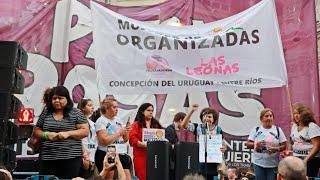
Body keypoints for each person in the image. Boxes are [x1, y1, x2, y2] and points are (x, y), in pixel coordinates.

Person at [33, 86, 89, 179]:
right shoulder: (46, 112)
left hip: (71, 158)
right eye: (54, 98)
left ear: (67, 99)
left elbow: (85, 131)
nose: (57, 101)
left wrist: (68, 134)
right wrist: (47, 135)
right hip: (48, 157)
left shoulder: (76, 112)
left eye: (60, 98)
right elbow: (36, 130)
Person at [95, 97, 132, 180]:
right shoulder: (101, 121)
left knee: (127, 178)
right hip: (107, 153)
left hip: (120, 152)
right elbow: (103, 141)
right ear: (106, 109)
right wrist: (119, 133)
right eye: (114, 107)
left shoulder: (118, 120)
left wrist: (126, 131)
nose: (117, 109)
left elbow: (125, 140)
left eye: (117, 107)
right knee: (110, 178)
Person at [246, 108, 287, 180]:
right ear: (261, 119)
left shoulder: (278, 130)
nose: (269, 118)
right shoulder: (256, 129)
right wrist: (256, 144)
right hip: (258, 163)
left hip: (273, 164)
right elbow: (248, 144)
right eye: (266, 116)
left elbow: (284, 146)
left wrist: (276, 149)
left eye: (271, 116)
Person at [129, 103, 162, 180]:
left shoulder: (156, 125)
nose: (151, 112)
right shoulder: (136, 124)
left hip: (155, 156)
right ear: (142, 112)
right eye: (148, 110)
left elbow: (162, 138)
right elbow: (132, 139)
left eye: (152, 111)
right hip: (140, 156)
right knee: (142, 176)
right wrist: (145, 145)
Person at [288, 103, 320, 177]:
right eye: (295, 113)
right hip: (296, 158)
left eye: (299, 113)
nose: (296, 115)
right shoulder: (294, 126)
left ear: (305, 114)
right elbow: (292, 141)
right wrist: (288, 152)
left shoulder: (311, 126)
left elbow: (317, 146)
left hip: (310, 160)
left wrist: (305, 160)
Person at [197, 107, 226, 180]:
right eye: (205, 116)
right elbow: (184, 126)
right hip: (201, 161)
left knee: (213, 177)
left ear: (214, 119)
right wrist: (191, 111)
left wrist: (224, 148)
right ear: (202, 118)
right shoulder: (198, 128)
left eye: (209, 117)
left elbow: (223, 143)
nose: (207, 118)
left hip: (214, 161)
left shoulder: (218, 129)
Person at [77, 98, 97, 178]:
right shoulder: (77, 121)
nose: (92, 108)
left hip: (91, 156)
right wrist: (84, 155)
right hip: (82, 156)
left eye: (93, 106)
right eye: (89, 105)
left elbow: (93, 142)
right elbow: (78, 139)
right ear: (82, 108)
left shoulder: (92, 123)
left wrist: (92, 158)